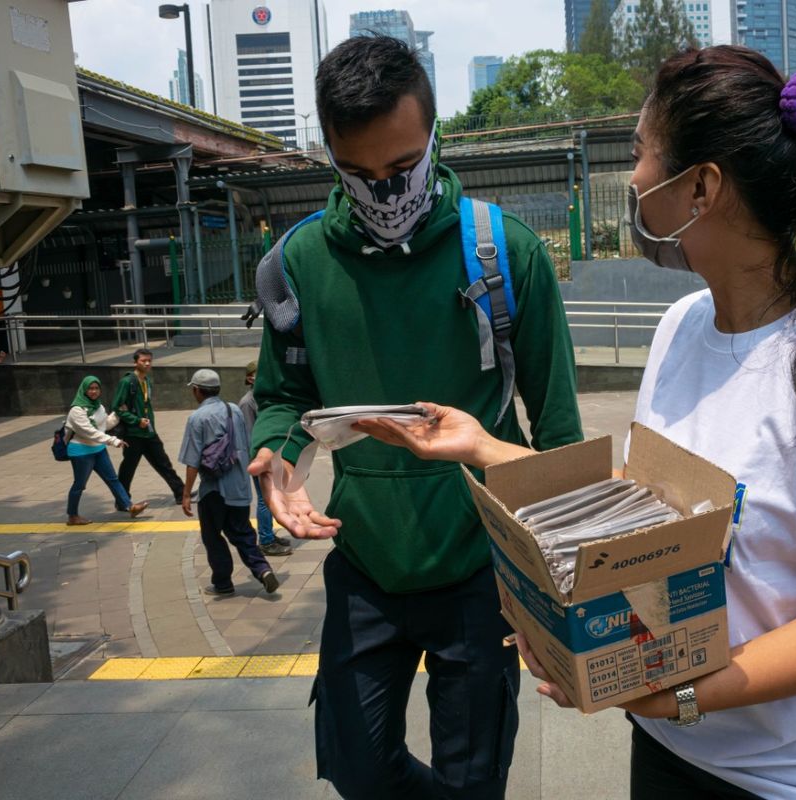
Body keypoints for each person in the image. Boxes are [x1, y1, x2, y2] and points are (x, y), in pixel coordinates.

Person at [359, 49, 796, 800]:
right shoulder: (683, 326)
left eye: (640, 153)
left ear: (701, 187)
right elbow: (653, 508)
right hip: (673, 749)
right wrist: (489, 449)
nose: (630, 180)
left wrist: (689, 693)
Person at [247, 36, 582, 799]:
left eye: (402, 168)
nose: (386, 192)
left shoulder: (504, 254)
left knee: (476, 776)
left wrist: (562, 590)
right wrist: (276, 455)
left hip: (480, 568)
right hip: (364, 560)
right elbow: (284, 396)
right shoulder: (298, 264)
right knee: (355, 766)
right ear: (327, 152)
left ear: (436, 135)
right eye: (359, 174)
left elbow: (558, 430)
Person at [179, 369, 279, 597]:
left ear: (197, 390)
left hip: (214, 489)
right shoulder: (233, 409)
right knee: (242, 532)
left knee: (212, 536)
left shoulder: (197, 418)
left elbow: (192, 462)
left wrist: (186, 494)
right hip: (239, 486)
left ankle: (223, 583)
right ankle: (262, 569)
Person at [64, 376, 148, 525]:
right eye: (90, 388)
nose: (94, 392)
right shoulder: (76, 410)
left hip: (98, 449)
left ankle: (130, 507)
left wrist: (118, 413)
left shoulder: (99, 406)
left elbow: (104, 426)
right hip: (81, 451)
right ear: (84, 390)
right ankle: (72, 515)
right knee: (79, 484)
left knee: (113, 479)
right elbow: (89, 431)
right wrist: (113, 440)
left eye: (96, 388)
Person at [112, 348, 186, 503]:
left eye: (149, 361)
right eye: (143, 361)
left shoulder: (146, 381)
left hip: (149, 432)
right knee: (128, 468)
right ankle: (122, 500)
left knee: (163, 463)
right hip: (133, 434)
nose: (147, 363)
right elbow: (117, 407)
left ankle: (181, 493)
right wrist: (136, 420)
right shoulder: (127, 382)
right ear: (135, 362)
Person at [239, 360, 292, 557]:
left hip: (271, 456)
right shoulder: (247, 402)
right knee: (264, 499)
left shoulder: (264, 399)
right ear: (250, 378)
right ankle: (266, 540)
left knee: (272, 497)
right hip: (258, 458)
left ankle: (269, 534)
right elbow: (250, 435)